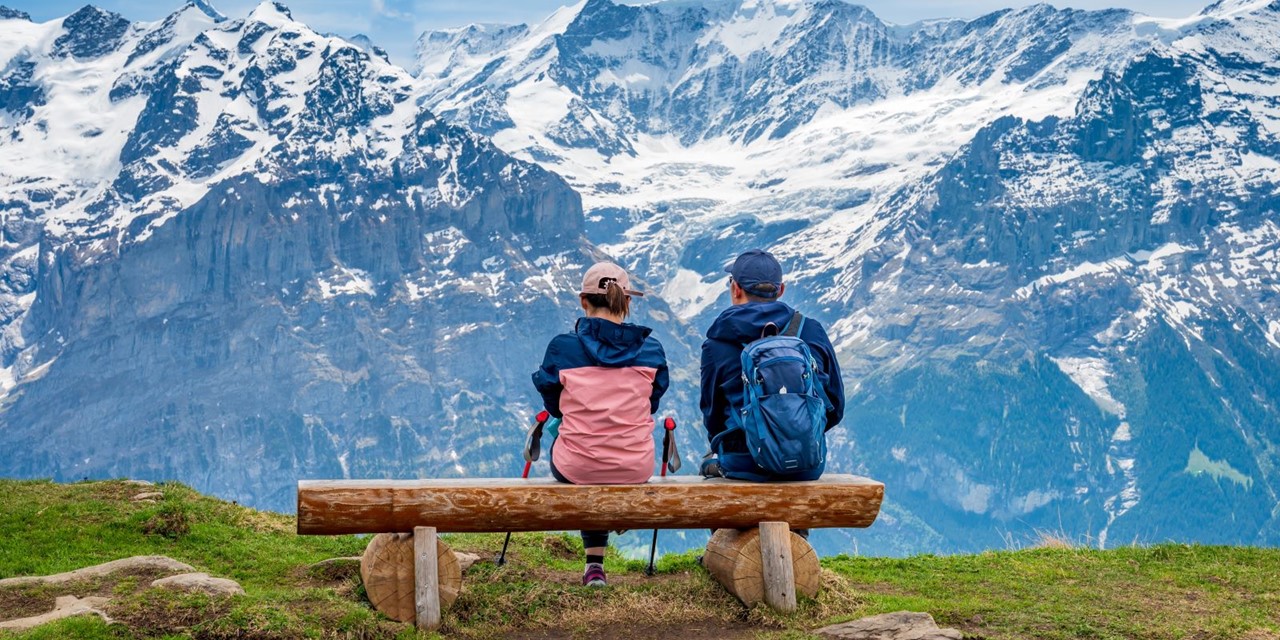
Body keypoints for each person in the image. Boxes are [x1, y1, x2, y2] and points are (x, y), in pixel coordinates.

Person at [532, 262, 669, 587]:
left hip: (576, 467)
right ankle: (613, 524)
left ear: (583, 302)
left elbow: (552, 404)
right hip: (636, 467)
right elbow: (652, 402)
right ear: (627, 301)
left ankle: (594, 565)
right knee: (604, 450)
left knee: (582, 452)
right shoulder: (651, 349)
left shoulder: (562, 348)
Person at [700, 249, 844, 482]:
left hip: (744, 463)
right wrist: (794, 437)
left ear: (735, 289)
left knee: (709, 466)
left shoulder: (717, 344)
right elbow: (835, 405)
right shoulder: (811, 330)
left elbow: (712, 415)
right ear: (781, 290)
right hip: (807, 464)